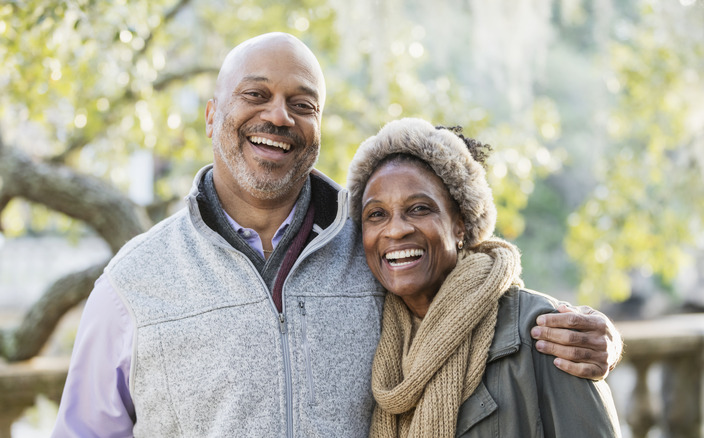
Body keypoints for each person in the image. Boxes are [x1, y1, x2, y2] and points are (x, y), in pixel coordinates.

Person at [52, 33, 621, 437]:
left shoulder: (373, 243)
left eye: (303, 104)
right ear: (211, 115)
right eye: (256, 95)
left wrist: (603, 341)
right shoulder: (135, 280)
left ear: (318, 128)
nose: (279, 117)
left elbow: (475, 292)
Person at [346, 118, 621, 437]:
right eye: (376, 214)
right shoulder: (362, 332)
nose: (395, 229)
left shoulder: (541, 332)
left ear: (460, 224)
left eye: (420, 209)